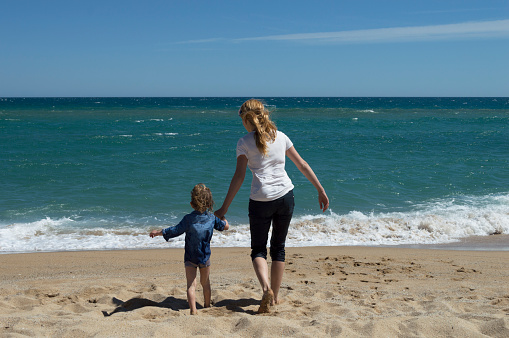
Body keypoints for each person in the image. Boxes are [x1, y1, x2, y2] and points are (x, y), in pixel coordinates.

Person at [215, 99, 329, 313]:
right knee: (279, 248)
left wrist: (224, 208)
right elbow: (302, 165)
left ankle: (266, 288)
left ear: (247, 119)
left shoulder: (243, 142)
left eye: (241, 120)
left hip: (260, 200)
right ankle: (275, 297)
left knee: (258, 249)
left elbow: (239, 176)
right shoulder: (281, 136)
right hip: (286, 196)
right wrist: (320, 190)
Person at [150, 183, 229, 315]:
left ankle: (193, 310)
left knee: (191, 285)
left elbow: (174, 230)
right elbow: (225, 227)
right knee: (206, 283)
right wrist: (223, 217)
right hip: (205, 257)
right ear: (210, 204)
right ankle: (207, 306)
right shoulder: (212, 218)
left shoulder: (188, 219)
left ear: (192, 204)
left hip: (190, 258)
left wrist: (158, 232)